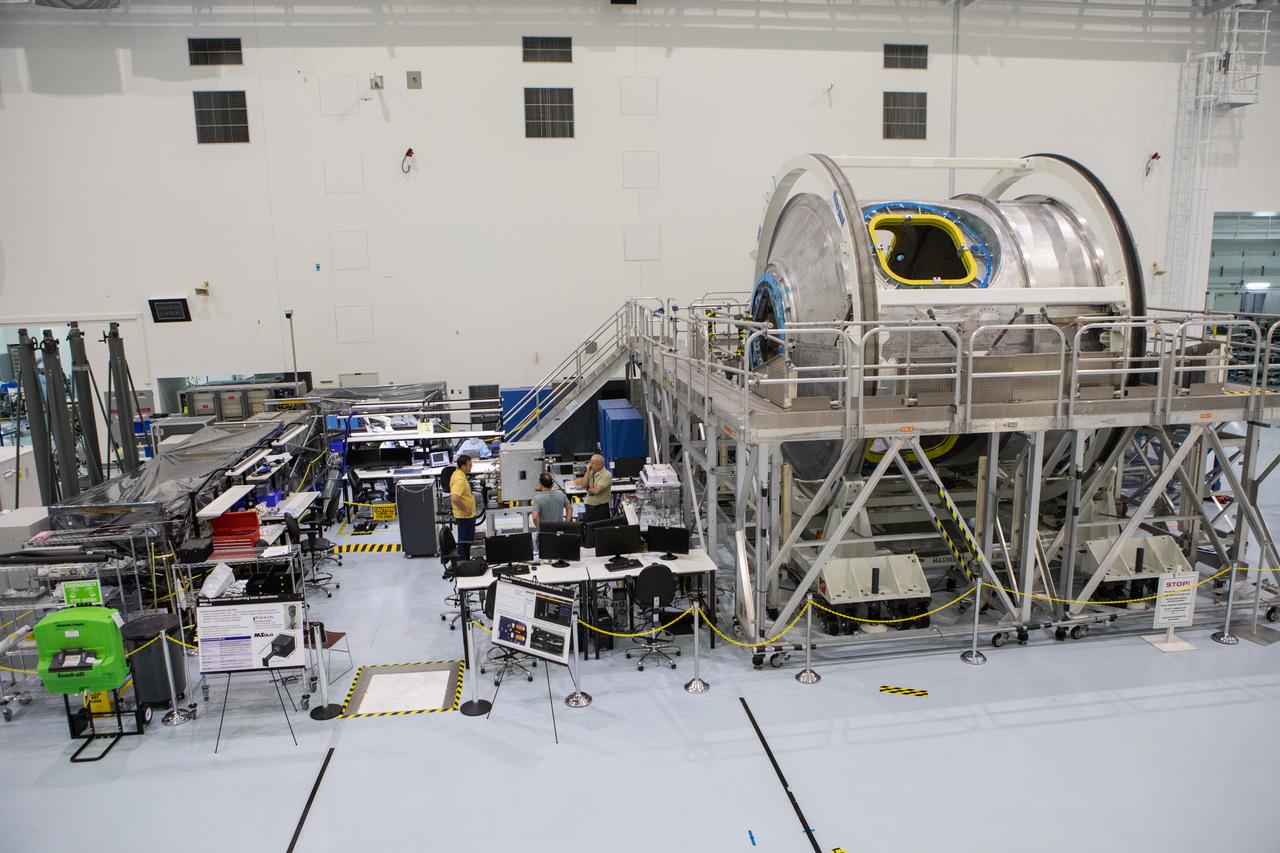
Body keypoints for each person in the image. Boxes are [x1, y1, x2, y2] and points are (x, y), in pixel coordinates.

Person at [573, 454, 613, 525]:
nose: (590, 465)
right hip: (589, 508)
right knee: (590, 530)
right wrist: (587, 471)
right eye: (590, 462)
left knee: (600, 531)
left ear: (599, 465)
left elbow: (596, 491)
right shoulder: (591, 472)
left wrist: (588, 489)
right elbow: (583, 485)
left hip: (601, 509)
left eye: (592, 463)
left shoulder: (606, 475)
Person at [449, 454, 476, 560]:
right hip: (465, 517)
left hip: (466, 516)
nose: (472, 466)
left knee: (466, 543)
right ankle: (462, 565)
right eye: (470, 464)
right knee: (464, 543)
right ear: (463, 466)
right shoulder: (460, 479)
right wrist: (465, 510)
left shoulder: (458, 474)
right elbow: (455, 498)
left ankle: (465, 563)